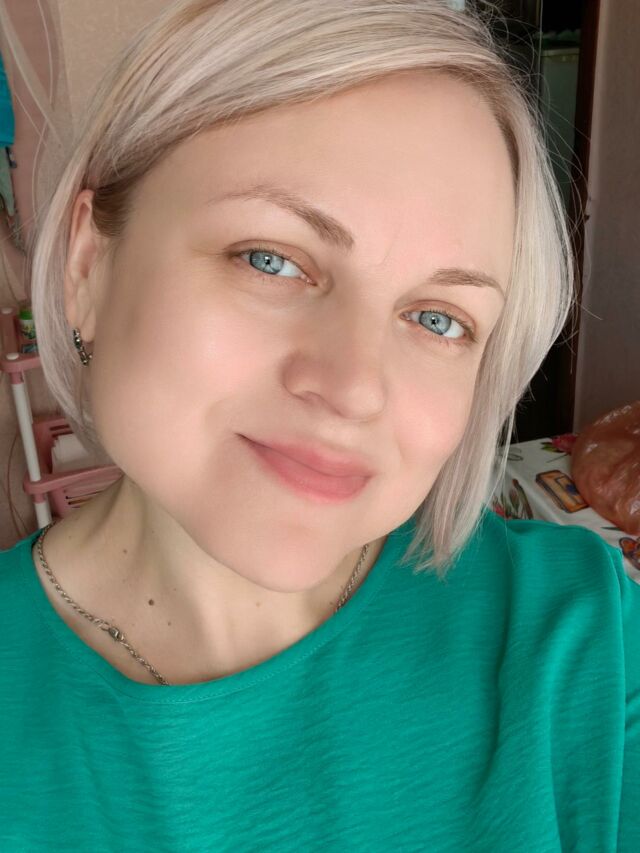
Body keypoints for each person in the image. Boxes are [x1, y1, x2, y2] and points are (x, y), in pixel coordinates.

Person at [1, 0, 638, 849]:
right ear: (89, 264)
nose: (353, 388)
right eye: (272, 259)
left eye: (438, 318)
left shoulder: (586, 640)